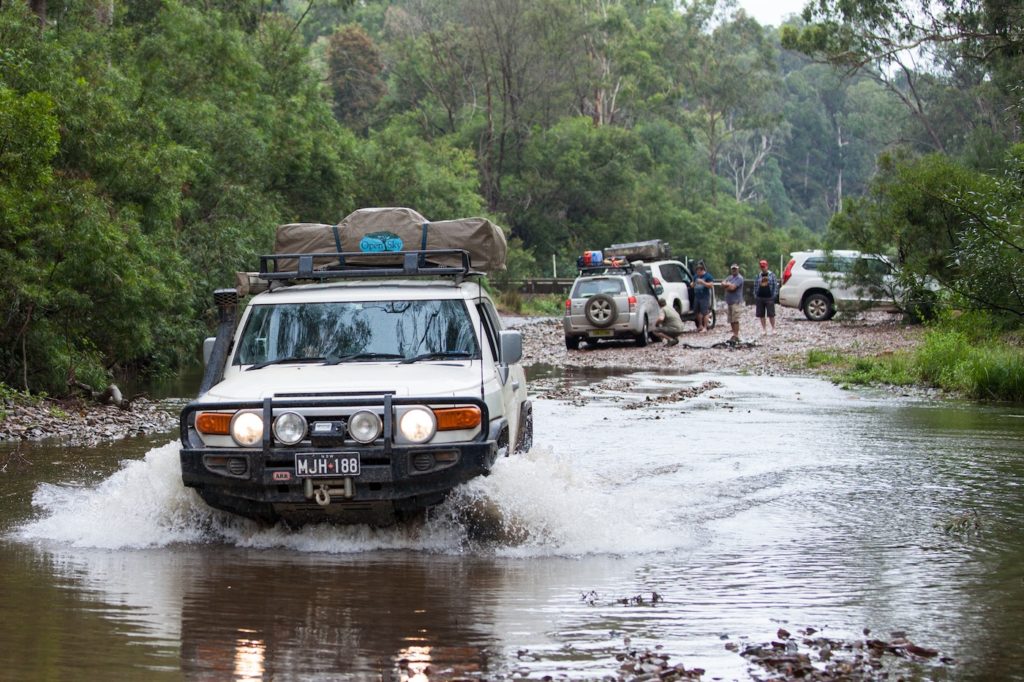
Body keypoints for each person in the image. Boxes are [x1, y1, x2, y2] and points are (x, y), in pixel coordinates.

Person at [753, 259, 779, 335]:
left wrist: (774, 295)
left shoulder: (772, 275)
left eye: (764, 266)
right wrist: (755, 295)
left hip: (769, 297)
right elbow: (755, 285)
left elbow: (775, 286)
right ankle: (764, 329)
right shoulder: (758, 276)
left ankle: (773, 328)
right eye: (761, 267)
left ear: (767, 266)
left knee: (771, 314)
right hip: (760, 297)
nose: (763, 268)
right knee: (761, 314)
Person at [723, 263, 744, 343]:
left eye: (735, 269)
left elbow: (732, 288)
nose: (734, 270)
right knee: (731, 319)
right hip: (729, 302)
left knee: (736, 319)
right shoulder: (729, 277)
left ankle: (736, 334)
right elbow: (722, 283)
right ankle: (734, 334)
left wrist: (727, 285)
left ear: (738, 269)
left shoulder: (740, 278)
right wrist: (727, 284)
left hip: (736, 301)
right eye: (733, 269)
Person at [691, 262, 715, 333]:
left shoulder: (708, 276)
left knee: (705, 312)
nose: (698, 273)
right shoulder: (695, 276)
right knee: (697, 311)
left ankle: (705, 327)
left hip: (704, 296)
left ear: (702, 270)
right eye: (697, 271)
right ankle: (700, 325)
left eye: (699, 271)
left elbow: (711, 285)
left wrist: (703, 283)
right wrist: (692, 284)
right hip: (697, 296)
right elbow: (693, 283)